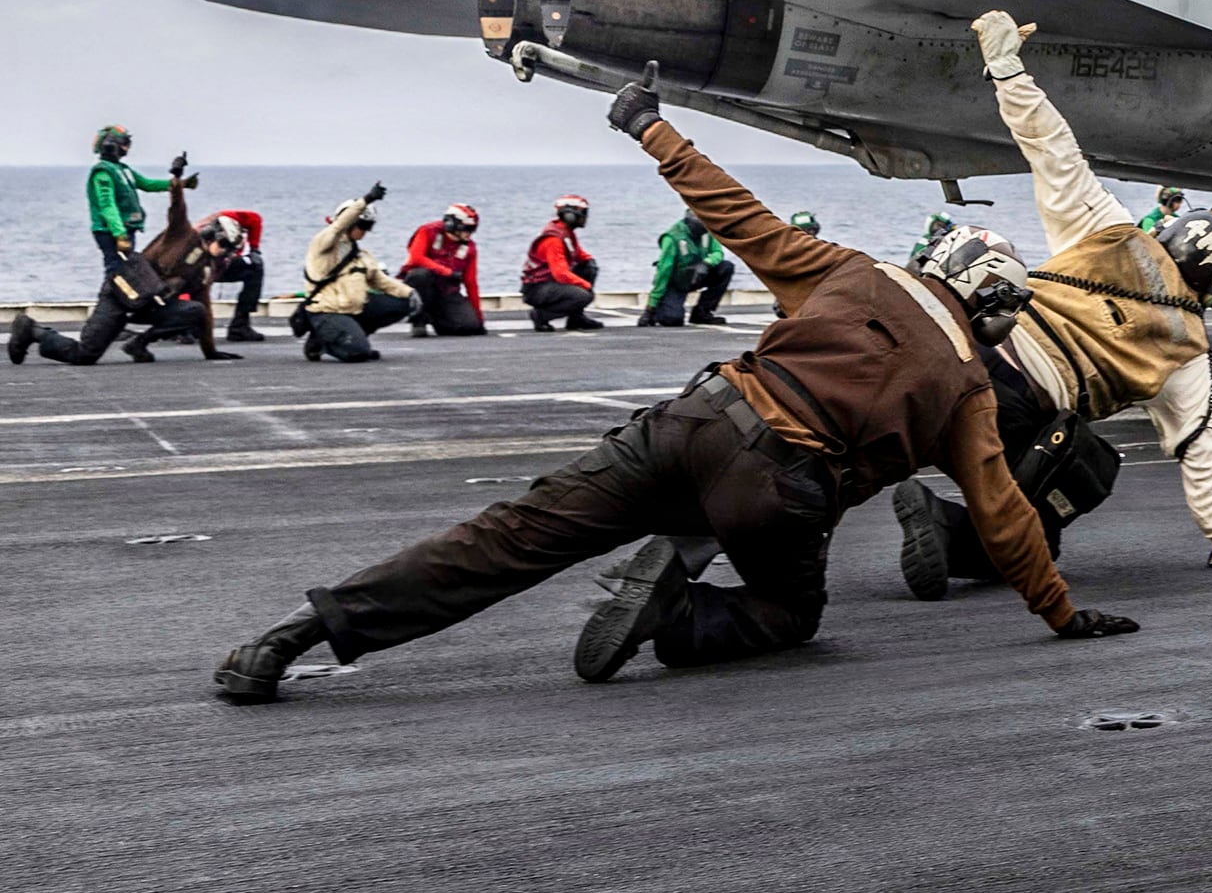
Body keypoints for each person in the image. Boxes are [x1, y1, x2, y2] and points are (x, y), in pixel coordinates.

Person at [211, 70, 1138, 704]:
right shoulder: (970, 385)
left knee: (505, 537)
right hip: (780, 487)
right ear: (992, 309)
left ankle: (288, 638)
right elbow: (1004, 515)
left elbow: (737, 215)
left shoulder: (854, 271)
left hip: (692, 420)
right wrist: (1061, 613)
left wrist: (651, 126)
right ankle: (681, 608)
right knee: (789, 613)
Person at [891, 9, 1212, 595]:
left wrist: (1005, 68)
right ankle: (950, 530)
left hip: (967, 347)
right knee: (1079, 481)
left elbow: (1051, 146)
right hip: (1018, 409)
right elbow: (1201, 447)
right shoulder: (1187, 349)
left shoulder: (1110, 230)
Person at [12, 179, 242, 366]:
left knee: (196, 310)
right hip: (120, 293)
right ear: (212, 234)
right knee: (85, 355)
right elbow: (177, 208)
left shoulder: (205, 270)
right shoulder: (182, 234)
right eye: (225, 245)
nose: (226, 253)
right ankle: (32, 330)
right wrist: (176, 180)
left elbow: (204, 309)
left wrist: (210, 351)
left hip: (147, 305)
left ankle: (138, 344)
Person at [296, 187, 417, 364]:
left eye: (369, 227)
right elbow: (338, 226)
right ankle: (322, 341)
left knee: (402, 304)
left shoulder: (360, 256)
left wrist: (410, 293)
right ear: (350, 222)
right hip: (327, 312)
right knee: (358, 354)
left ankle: (354, 337)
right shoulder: (323, 245)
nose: (365, 231)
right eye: (363, 226)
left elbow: (381, 281)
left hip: (352, 310)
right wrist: (366, 200)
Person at [85, 125, 187, 278]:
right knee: (116, 272)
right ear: (111, 145)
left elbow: (147, 184)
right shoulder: (103, 173)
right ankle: (109, 294)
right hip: (110, 232)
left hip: (125, 229)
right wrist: (119, 233)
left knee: (126, 272)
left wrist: (180, 184)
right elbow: (107, 205)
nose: (127, 148)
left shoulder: (123, 169)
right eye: (124, 143)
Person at [520, 195, 604, 332]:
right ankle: (541, 316)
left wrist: (589, 262)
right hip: (538, 288)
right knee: (583, 296)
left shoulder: (566, 233)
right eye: (583, 213)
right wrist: (586, 285)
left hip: (549, 283)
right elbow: (560, 273)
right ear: (570, 216)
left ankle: (576, 318)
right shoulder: (554, 240)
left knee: (589, 267)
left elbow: (578, 254)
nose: (585, 217)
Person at [400, 204, 486, 337]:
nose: (469, 233)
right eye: (466, 229)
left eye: (472, 229)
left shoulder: (470, 248)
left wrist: (479, 317)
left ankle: (439, 320)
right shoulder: (427, 231)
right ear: (452, 225)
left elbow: (471, 282)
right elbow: (416, 258)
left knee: (469, 326)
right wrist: (446, 272)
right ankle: (418, 320)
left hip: (447, 291)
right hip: (423, 287)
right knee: (420, 275)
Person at [642, 211, 734, 328]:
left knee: (726, 267)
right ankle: (658, 311)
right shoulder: (672, 238)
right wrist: (650, 308)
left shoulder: (707, 231)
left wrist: (706, 264)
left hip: (698, 275)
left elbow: (718, 252)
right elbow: (663, 272)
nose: (706, 230)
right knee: (672, 320)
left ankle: (702, 312)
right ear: (691, 224)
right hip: (676, 282)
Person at [210, 208, 268, 342]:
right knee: (255, 269)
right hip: (209, 265)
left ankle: (184, 327)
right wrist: (254, 249)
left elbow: (254, 219)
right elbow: (255, 219)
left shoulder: (213, 222)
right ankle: (240, 325)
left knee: (191, 280)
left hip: (208, 266)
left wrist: (253, 248)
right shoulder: (231, 221)